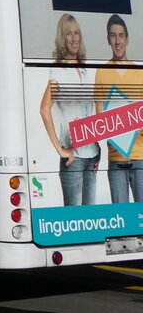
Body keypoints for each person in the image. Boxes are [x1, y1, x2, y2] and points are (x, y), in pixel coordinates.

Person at [40, 14, 99, 205]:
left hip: (91, 156)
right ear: (62, 39)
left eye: (76, 33)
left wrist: (98, 148)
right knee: (74, 223)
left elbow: (89, 113)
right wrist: (60, 149)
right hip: (73, 160)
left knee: (90, 222)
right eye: (68, 34)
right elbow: (44, 109)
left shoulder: (83, 71)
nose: (74, 38)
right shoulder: (59, 71)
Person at [94, 14, 143, 203]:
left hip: (140, 157)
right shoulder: (102, 72)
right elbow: (99, 118)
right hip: (116, 159)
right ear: (108, 39)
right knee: (121, 223)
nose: (117, 40)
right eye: (113, 35)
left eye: (121, 35)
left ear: (127, 39)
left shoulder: (139, 73)